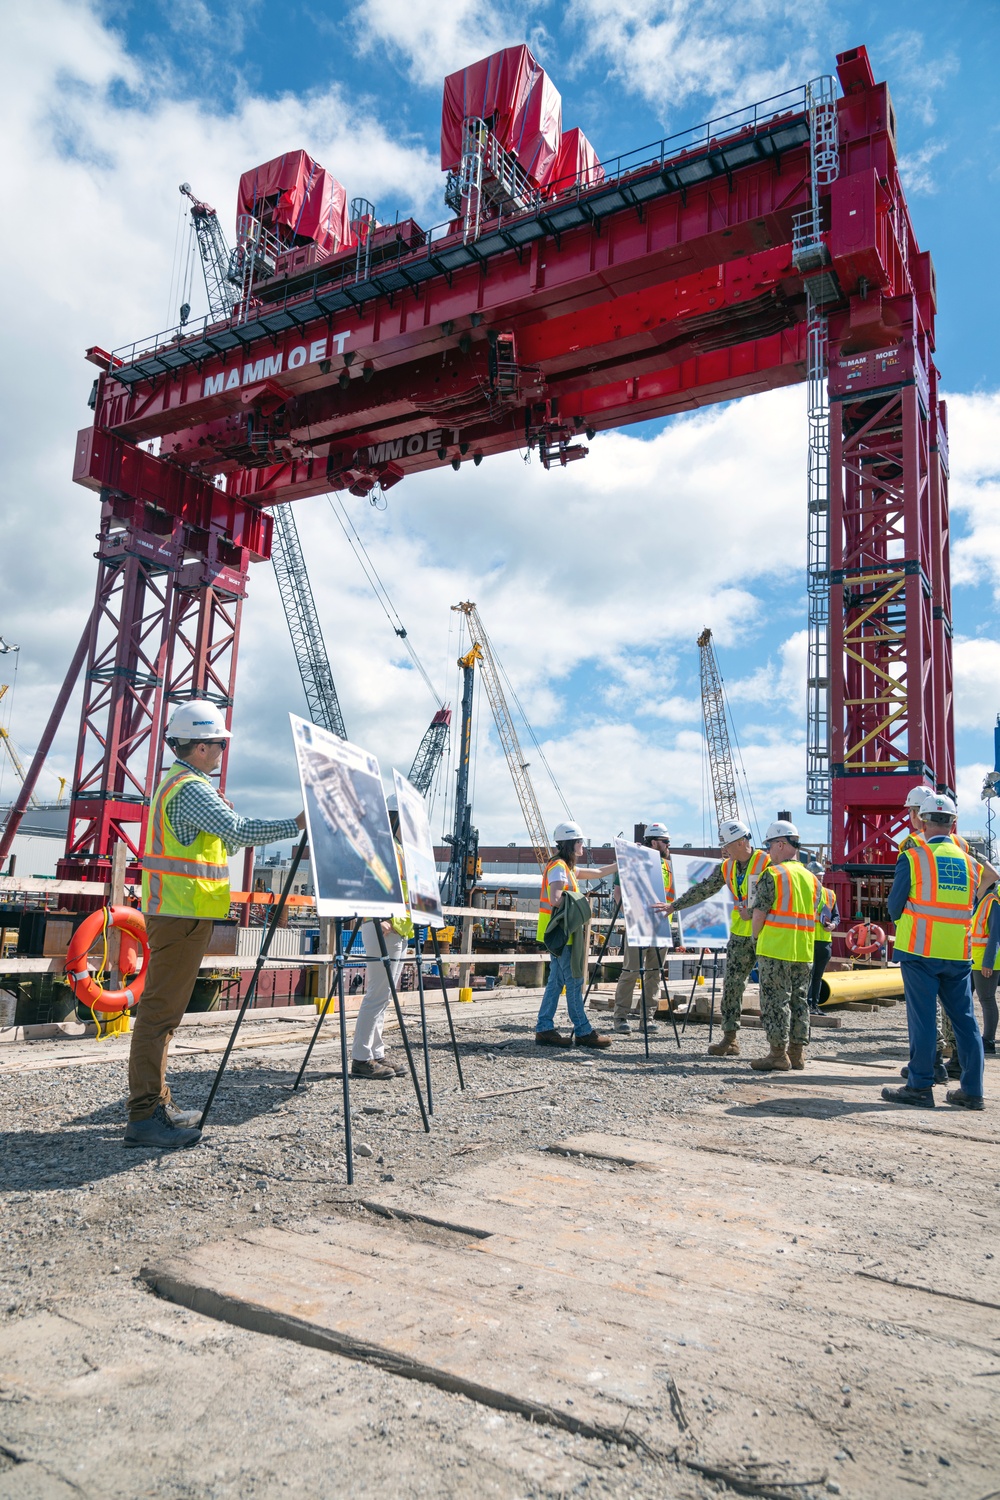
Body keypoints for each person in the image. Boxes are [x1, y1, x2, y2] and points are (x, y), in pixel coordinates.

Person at [127, 701, 304, 1150]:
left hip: (183, 915)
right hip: (180, 917)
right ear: (201, 746)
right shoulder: (189, 788)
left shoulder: (183, 785)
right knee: (159, 1015)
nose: (224, 750)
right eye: (220, 743)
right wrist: (296, 824)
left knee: (164, 1015)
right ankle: (144, 1116)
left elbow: (221, 835)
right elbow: (239, 832)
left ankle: (156, 1105)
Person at [881, 792, 984, 1110]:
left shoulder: (913, 857)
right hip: (958, 954)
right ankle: (972, 1091)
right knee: (966, 1022)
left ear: (922, 821)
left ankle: (920, 1087)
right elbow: (971, 905)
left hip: (919, 952)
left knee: (924, 1020)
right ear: (953, 824)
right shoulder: (971, 863)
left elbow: (894, 907)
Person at [658, 819, 770, 1056]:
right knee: (731, 985)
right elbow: (703, 889)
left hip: (768, 932)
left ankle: (779, 1047)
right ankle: (730, 1039)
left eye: (727, 844)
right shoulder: (727, 867)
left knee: (771, 988)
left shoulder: (766, 862)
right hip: (741, 933)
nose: (724, 849)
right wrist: (674, 906)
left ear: (741, 842)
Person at [749, 820, 820, 1072]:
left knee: (775, 1001)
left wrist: (756, 938)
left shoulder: (773, 874)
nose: (768, 852)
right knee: (800, 1000)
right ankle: (797, 1054)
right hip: (804, 949)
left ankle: (777, 1054)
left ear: (781, 844)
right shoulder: (812, 879)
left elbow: (759, 914)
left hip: (775, 948)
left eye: (769, 846)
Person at [535, 821, 611, 1049]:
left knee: (556, 982)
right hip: (562, 934)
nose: (583, 846)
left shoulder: (565, 867)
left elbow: (597, 872)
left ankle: (544, 1028)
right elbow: (556, 898)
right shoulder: (559, 867)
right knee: (575, 981)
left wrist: (621, 864)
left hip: (558, 933)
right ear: (571, 843)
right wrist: (581, 901)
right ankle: (583, 1031)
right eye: (580, 842)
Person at [351, 808, 414, 1079]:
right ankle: (361, 1057)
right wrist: (379, 918)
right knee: (377, 994)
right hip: (382, 927)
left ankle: (376, 1053)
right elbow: (368, 881)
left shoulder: (399, 847)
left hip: (397, 928)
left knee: (384, 996)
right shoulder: (383, 844)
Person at [611, 821, 674, 1034]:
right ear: (654, 842)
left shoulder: (669, 865)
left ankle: (647, 1018)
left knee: (654, 973)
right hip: (638, 923)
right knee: (630, 971)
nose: (668, 845)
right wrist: (629, 915)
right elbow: (618, 892)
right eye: (665, 841)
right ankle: (620, 1017)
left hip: (662, 925)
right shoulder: (631, 860)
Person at [970, 876, 999, 1057]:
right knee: (964, 999)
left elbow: (995, 935)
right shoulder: (978, 902)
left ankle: (988, 1041)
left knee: (986, 999)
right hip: (972, 960)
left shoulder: (992, 903)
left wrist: (988, 962)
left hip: (985, 963)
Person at [808, 874, 839, 1012]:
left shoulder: (830, 894)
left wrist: (833, 924)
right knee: (808, 975)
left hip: (824, 941)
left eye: (820, 877)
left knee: (818, 976)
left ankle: (815, 1005)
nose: (819, 880)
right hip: (808, 939)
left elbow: (836, 915)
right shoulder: (805, 892)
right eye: (816, 877)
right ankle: (806, 1006)